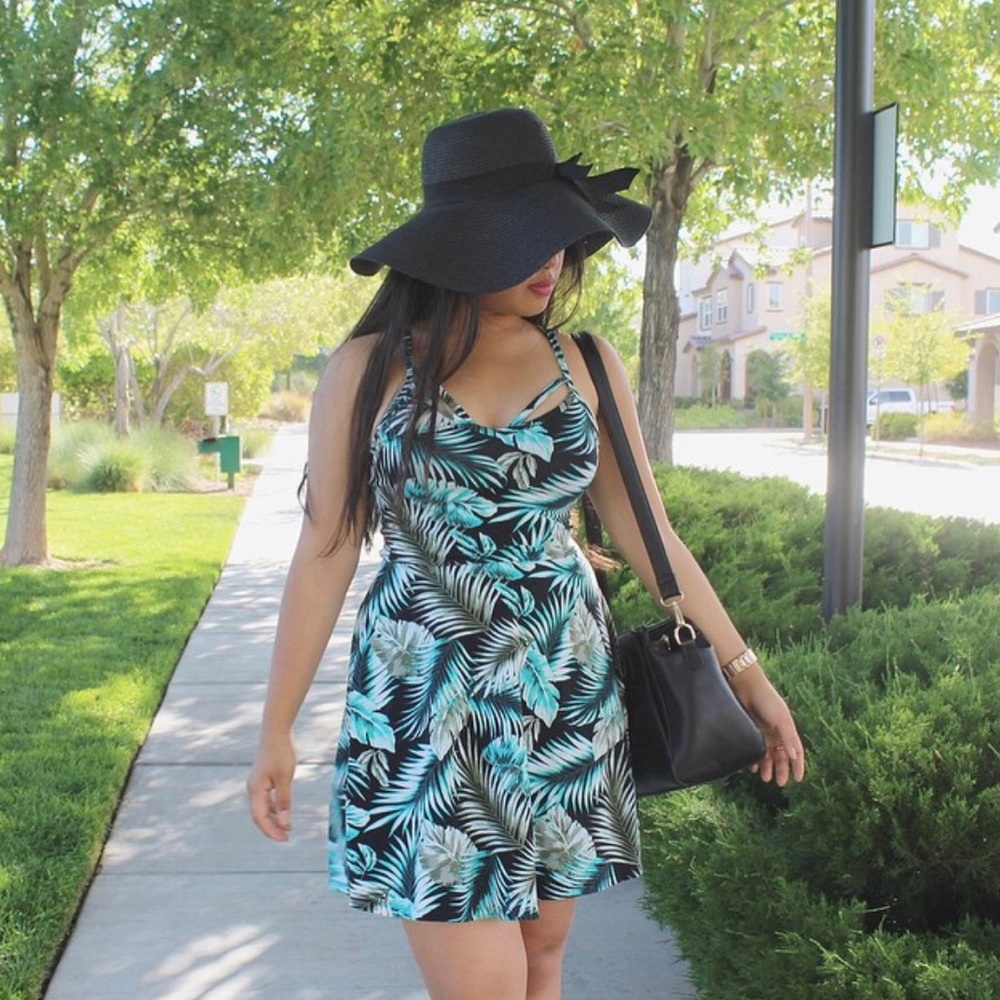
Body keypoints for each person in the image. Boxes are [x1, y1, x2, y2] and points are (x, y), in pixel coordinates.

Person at [247, 107, 805, 1000]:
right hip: (426, 704)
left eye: (558, 236)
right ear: (460, 246)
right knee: (484, 986)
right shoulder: (368, 370)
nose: (552, 260)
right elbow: (325, 550)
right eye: (523, 239)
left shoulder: (587, 360)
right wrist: (276, 727)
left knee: (543, 959)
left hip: (564, 691)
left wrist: (750, 678)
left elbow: (654, 538)